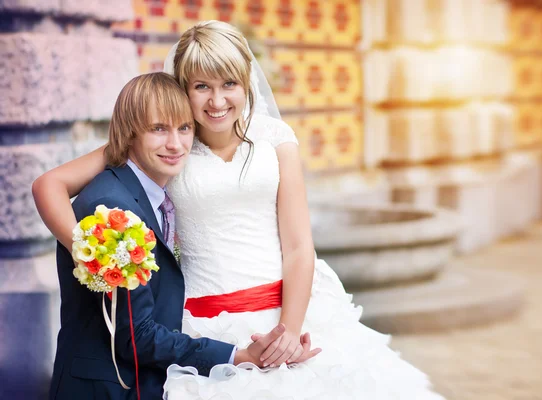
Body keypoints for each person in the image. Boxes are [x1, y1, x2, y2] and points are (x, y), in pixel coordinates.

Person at [33, 21, 444, 399]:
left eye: (229, 83)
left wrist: (289, 330)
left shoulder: (275, 139)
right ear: (183, 89)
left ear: (246, 82)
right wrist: (96, 255)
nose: (216, 101)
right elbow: (50, 184)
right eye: (200, 87)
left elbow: (299, 246)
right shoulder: (168, 142)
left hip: (287, 310)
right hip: (204, 317)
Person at [35, 72, 318, 400]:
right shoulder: (113, 212)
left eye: (184, 128)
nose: (175, 144)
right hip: (105, 389)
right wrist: (239, 357)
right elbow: (137, 338)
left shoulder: (151, 194)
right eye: (158, 129)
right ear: (130, 133)